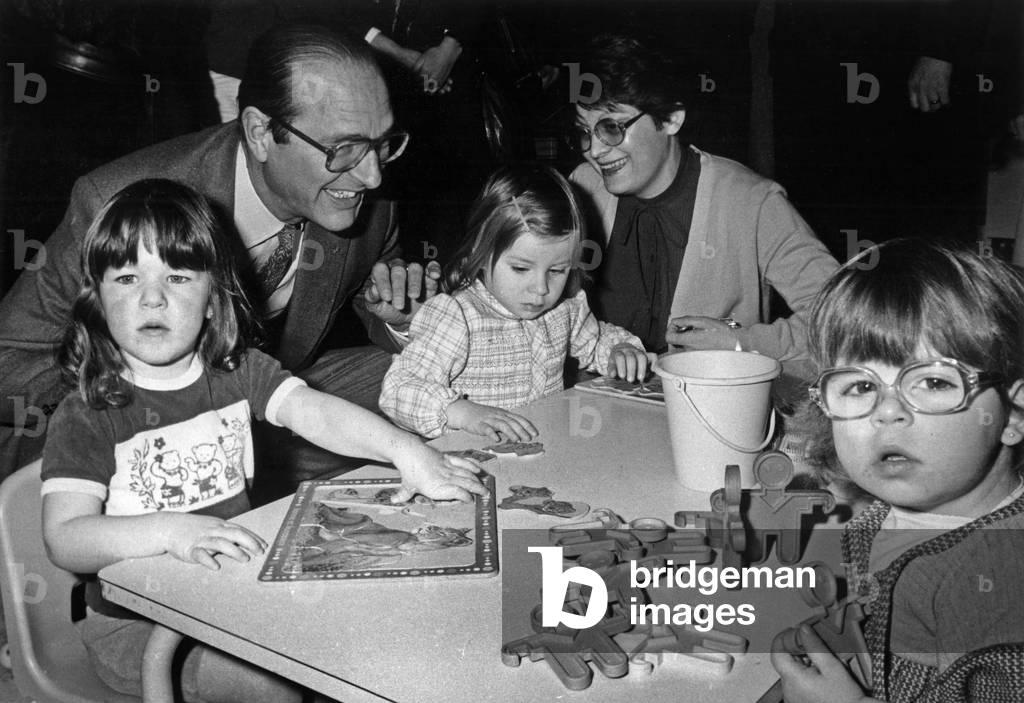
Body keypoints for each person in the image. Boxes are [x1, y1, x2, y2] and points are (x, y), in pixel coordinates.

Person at [40, 179, 484, 702]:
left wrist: (405, 451)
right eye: (128, 277)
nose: (152, 297)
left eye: (178, 276)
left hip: (231, 594)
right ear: (98, 298)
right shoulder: (88, 411)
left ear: (212, 299)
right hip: (137, 624)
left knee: (371, 625)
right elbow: (65, 538)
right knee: (270, 681)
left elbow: (313, 411)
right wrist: (171, 532)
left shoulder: (237, 370)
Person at [0, 25, 433, 488]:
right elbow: (10, 362)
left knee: (434, 380)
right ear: (261, 132)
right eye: (344, 149)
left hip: (269, 398)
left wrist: (396, 316)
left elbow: (375, 302)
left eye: (383, 144)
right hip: (126, 427)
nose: (372, 176)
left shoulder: (368, 207)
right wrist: (144, 400)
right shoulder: (115, 200)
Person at [771, 239, 1024, 703]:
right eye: (860, 385)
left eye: (932, 381)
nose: (886, 412)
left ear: (1012, 414)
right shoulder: (902, 507)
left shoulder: (998, 595)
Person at [568, 34, 839, 372]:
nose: (595, 150)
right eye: (584, 132)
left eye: (611, 127)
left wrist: (743, 344)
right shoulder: (582, 186)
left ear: (670, 120)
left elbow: (846, 316)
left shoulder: (752, 202)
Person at [380, 165, 648, 440]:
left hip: (545, 448)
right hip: (472, 458)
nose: (541, 288)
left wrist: (620, 349)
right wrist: (462, 412)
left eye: (557, 271)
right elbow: (399, 390)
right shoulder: (457, 316)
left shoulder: (564, 309)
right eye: (521, 269)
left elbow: (597, 340)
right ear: (481, 254)